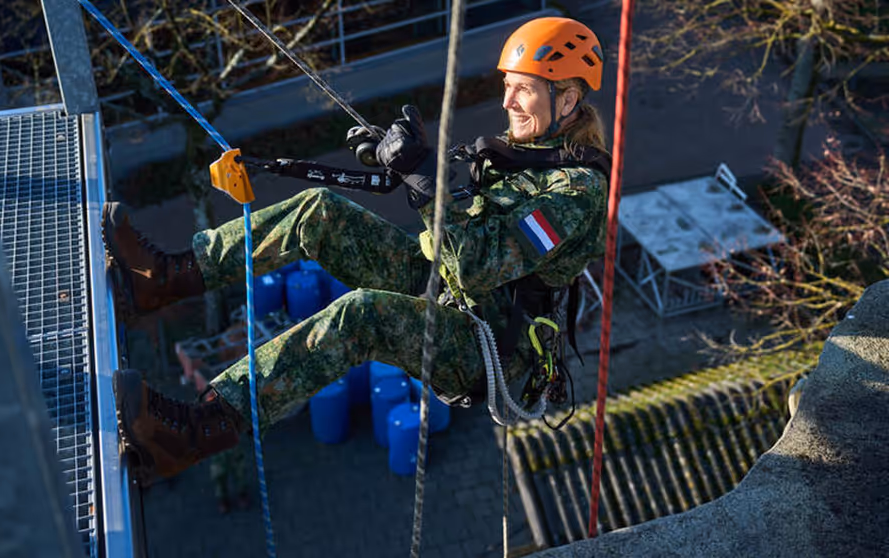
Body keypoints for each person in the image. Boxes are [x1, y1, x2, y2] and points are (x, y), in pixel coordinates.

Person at [108, 17, 610, 485]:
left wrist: (421, 184)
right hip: (448, 285)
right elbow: (464, 221)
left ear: (566, 100)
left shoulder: (576, 194)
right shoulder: (526, 153)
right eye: (507, 86)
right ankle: (159, 278)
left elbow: (479, 264)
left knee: (362, 316)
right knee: (316, 211)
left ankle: (193, 432)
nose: (508, 102)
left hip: (490, 343)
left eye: (523, 88)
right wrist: (399, 163)